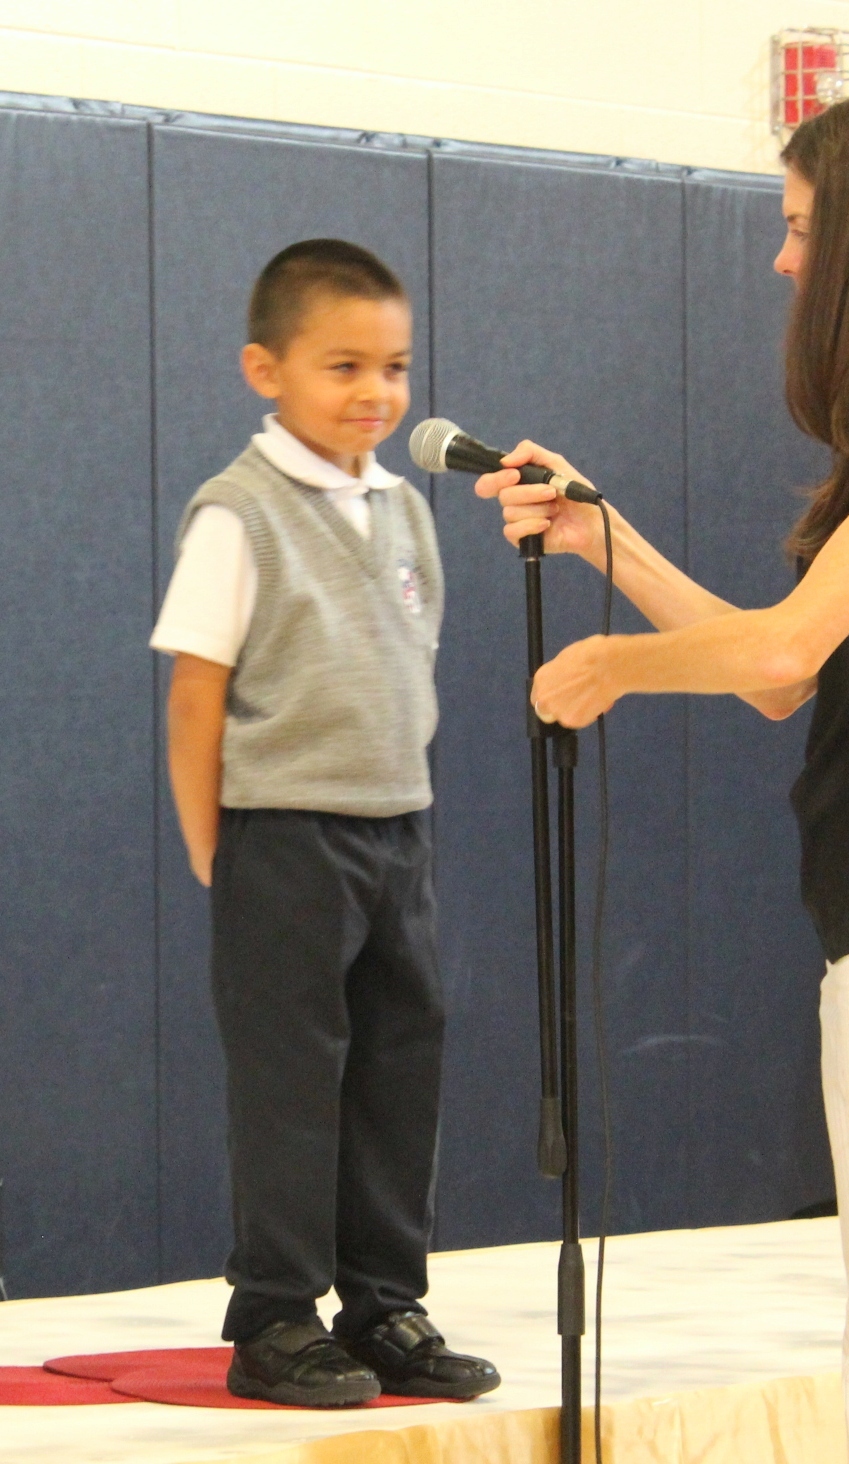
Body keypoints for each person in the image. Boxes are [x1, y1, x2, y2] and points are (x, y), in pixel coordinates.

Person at [477, 85, 849, 1463]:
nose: (783, 258)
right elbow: (780, 677)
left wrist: (614, 666)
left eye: (802, 226)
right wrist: (603, 541)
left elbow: (788, 640)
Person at [151, 239, 499, 1408]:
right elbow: (197, 690)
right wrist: (216, 845)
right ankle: (276, 1318)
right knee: (292, 1081)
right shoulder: (237, 514)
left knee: (401, 1065)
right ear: (267, 368)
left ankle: (384, 1303)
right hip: (284, 838)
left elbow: (415, 659)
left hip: (397, 833)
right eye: (343, 366)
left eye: (394, 368)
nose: (376, 394)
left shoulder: (402, 505)